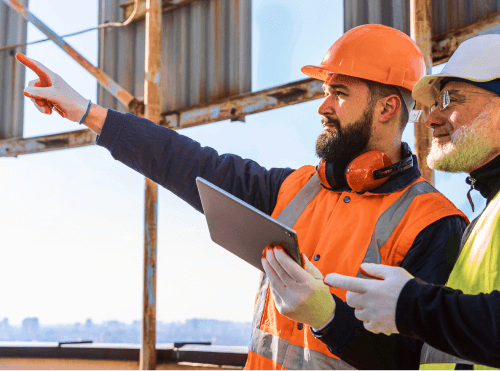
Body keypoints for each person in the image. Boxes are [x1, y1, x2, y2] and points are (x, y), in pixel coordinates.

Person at [17, 24, 468, 370]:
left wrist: (329, 319)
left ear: (387, 108)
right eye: (325, 91)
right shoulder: (296, 188)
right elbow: (188, 161)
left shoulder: (433, 224)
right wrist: (85, 111)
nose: (322, 106)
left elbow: (417, 364)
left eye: (339, 93)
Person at [324, 34, 500, 369]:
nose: (431, 118)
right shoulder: (488, 214)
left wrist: (412, 305)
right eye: (433, 105)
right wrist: (327, 318)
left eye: (450, 99)